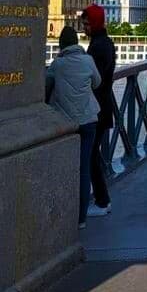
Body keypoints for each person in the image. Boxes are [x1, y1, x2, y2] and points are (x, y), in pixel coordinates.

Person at [45, 25, 101, 228]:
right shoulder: (88, 60)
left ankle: (61, 213)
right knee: (84, 169)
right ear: (76, 43)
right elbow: (97, 82)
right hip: (88, 120)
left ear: (61, 44)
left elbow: (46, 87)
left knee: (64, 167)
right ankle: (81, 218)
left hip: (66, 123)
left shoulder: (57, 64)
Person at [79, 4, 116, 217]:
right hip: (104, 106)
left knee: (91, 156)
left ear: (93, 23)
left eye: (86, 23)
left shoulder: (97, 46)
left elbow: (95, 79)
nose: (84, 27)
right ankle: (102, 199)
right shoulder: (105, 43)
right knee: (94, 155)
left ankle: (102, 201)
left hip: (97, 108)